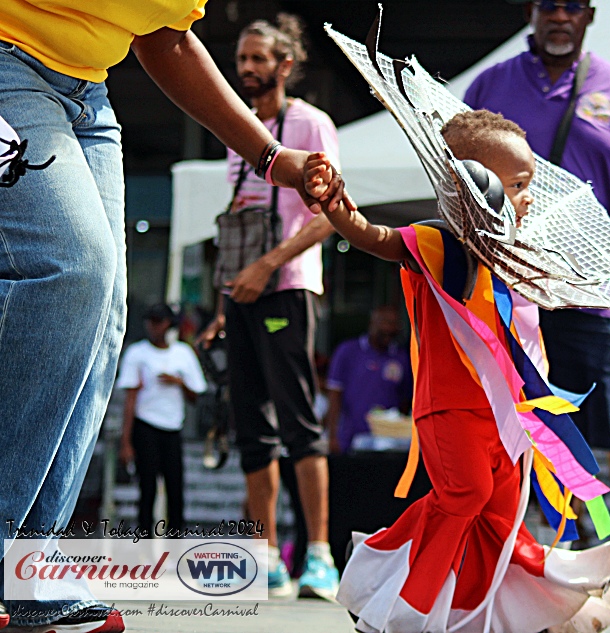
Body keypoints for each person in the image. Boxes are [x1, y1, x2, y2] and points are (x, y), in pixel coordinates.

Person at [0, 2, 335, 630]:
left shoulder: (305, 118)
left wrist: (271, 156)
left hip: (88, 96)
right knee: (76, 271)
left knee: (104, 320)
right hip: (8, 67)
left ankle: (28, 566)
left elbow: (167, 38)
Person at [305, 109, 610, 633]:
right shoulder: (438, 243)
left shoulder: (518, 256)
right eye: (519, 184)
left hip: (508, 417)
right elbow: (374, 237)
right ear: (476, 184)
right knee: (465, 496)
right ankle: (399, 604)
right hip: (450, 407)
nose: (529, 196)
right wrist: (336, 207)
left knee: (501, 516)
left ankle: (478, 615)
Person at [464, 0, 610, 460]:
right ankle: (518, 533)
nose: (561, 16)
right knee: (502, 436)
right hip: (504, 294)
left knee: (588, 447)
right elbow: (454, 179)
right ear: (529, 12)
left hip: (589, 296)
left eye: (574, 6)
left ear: (590, 16)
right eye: (550, 5)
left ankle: (588, 534)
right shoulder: (490, 83)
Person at [196, 14, 340, 601]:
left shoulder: (309, 122)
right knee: (252, 427)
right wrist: (226, 302)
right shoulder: (240, 129)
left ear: (285, 65)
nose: (246, 68)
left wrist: (265, 267)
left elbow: (329, 213)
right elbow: (241, 217)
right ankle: (264, 557)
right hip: (244, 295)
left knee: (298, 422)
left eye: (258, 58)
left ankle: (319, 556)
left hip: (287, 287)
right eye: (241, 58)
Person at [116, 303, 207, 536]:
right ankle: (145, 544)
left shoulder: (182, 353)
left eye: (158, 321)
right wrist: (125, 441)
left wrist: (178, 382)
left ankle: (175, 544)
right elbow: (130, 397)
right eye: (150, 321)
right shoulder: (137, 353)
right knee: (147, 490)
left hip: (172, 428)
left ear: (169, 324)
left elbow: (196, 394)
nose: (153, 326)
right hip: (145, 425)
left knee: (175, 489)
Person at [325, 305, 413, 453]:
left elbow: (406, 399)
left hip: (388, 442)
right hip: (350, 438)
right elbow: (334, 395)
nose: (390, 329)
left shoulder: (401, 357)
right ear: (373, 323)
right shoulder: (348, 351)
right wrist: (332, 436)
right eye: (386, 323)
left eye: (395, 324)